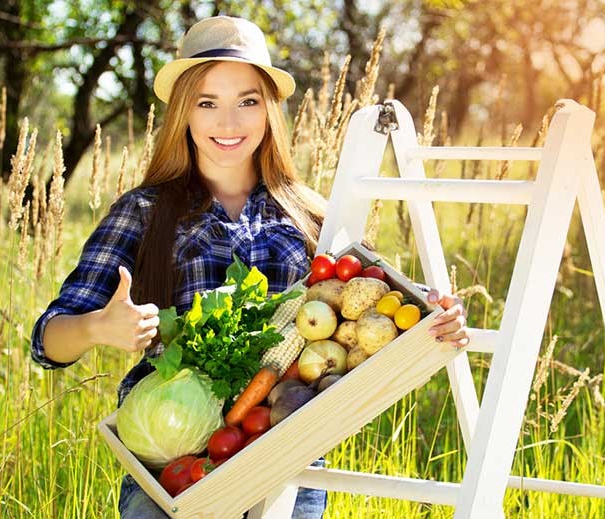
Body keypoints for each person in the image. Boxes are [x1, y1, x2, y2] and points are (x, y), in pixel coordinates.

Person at [30, 15, 469, 519]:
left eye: (247, 101)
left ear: (268, 112)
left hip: (288, 452)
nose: (229, 123)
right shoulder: (145, 211)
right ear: (184, 114)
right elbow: (47, 342)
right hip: (177, 465)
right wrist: (98, 326)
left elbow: (371, 302)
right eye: (207, 103)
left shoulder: (310, 213)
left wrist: (433, 314)